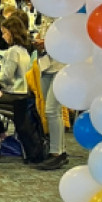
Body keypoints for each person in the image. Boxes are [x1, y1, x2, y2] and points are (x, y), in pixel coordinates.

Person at [33, 15, 68, 170]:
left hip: (61, 67)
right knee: (52, 111)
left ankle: (57, 153)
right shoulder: (46, 17)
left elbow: (65, 42)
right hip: (45, 66)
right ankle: (59, 150)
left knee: (52, 110)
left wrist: (45, 44)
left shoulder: (65, 18)